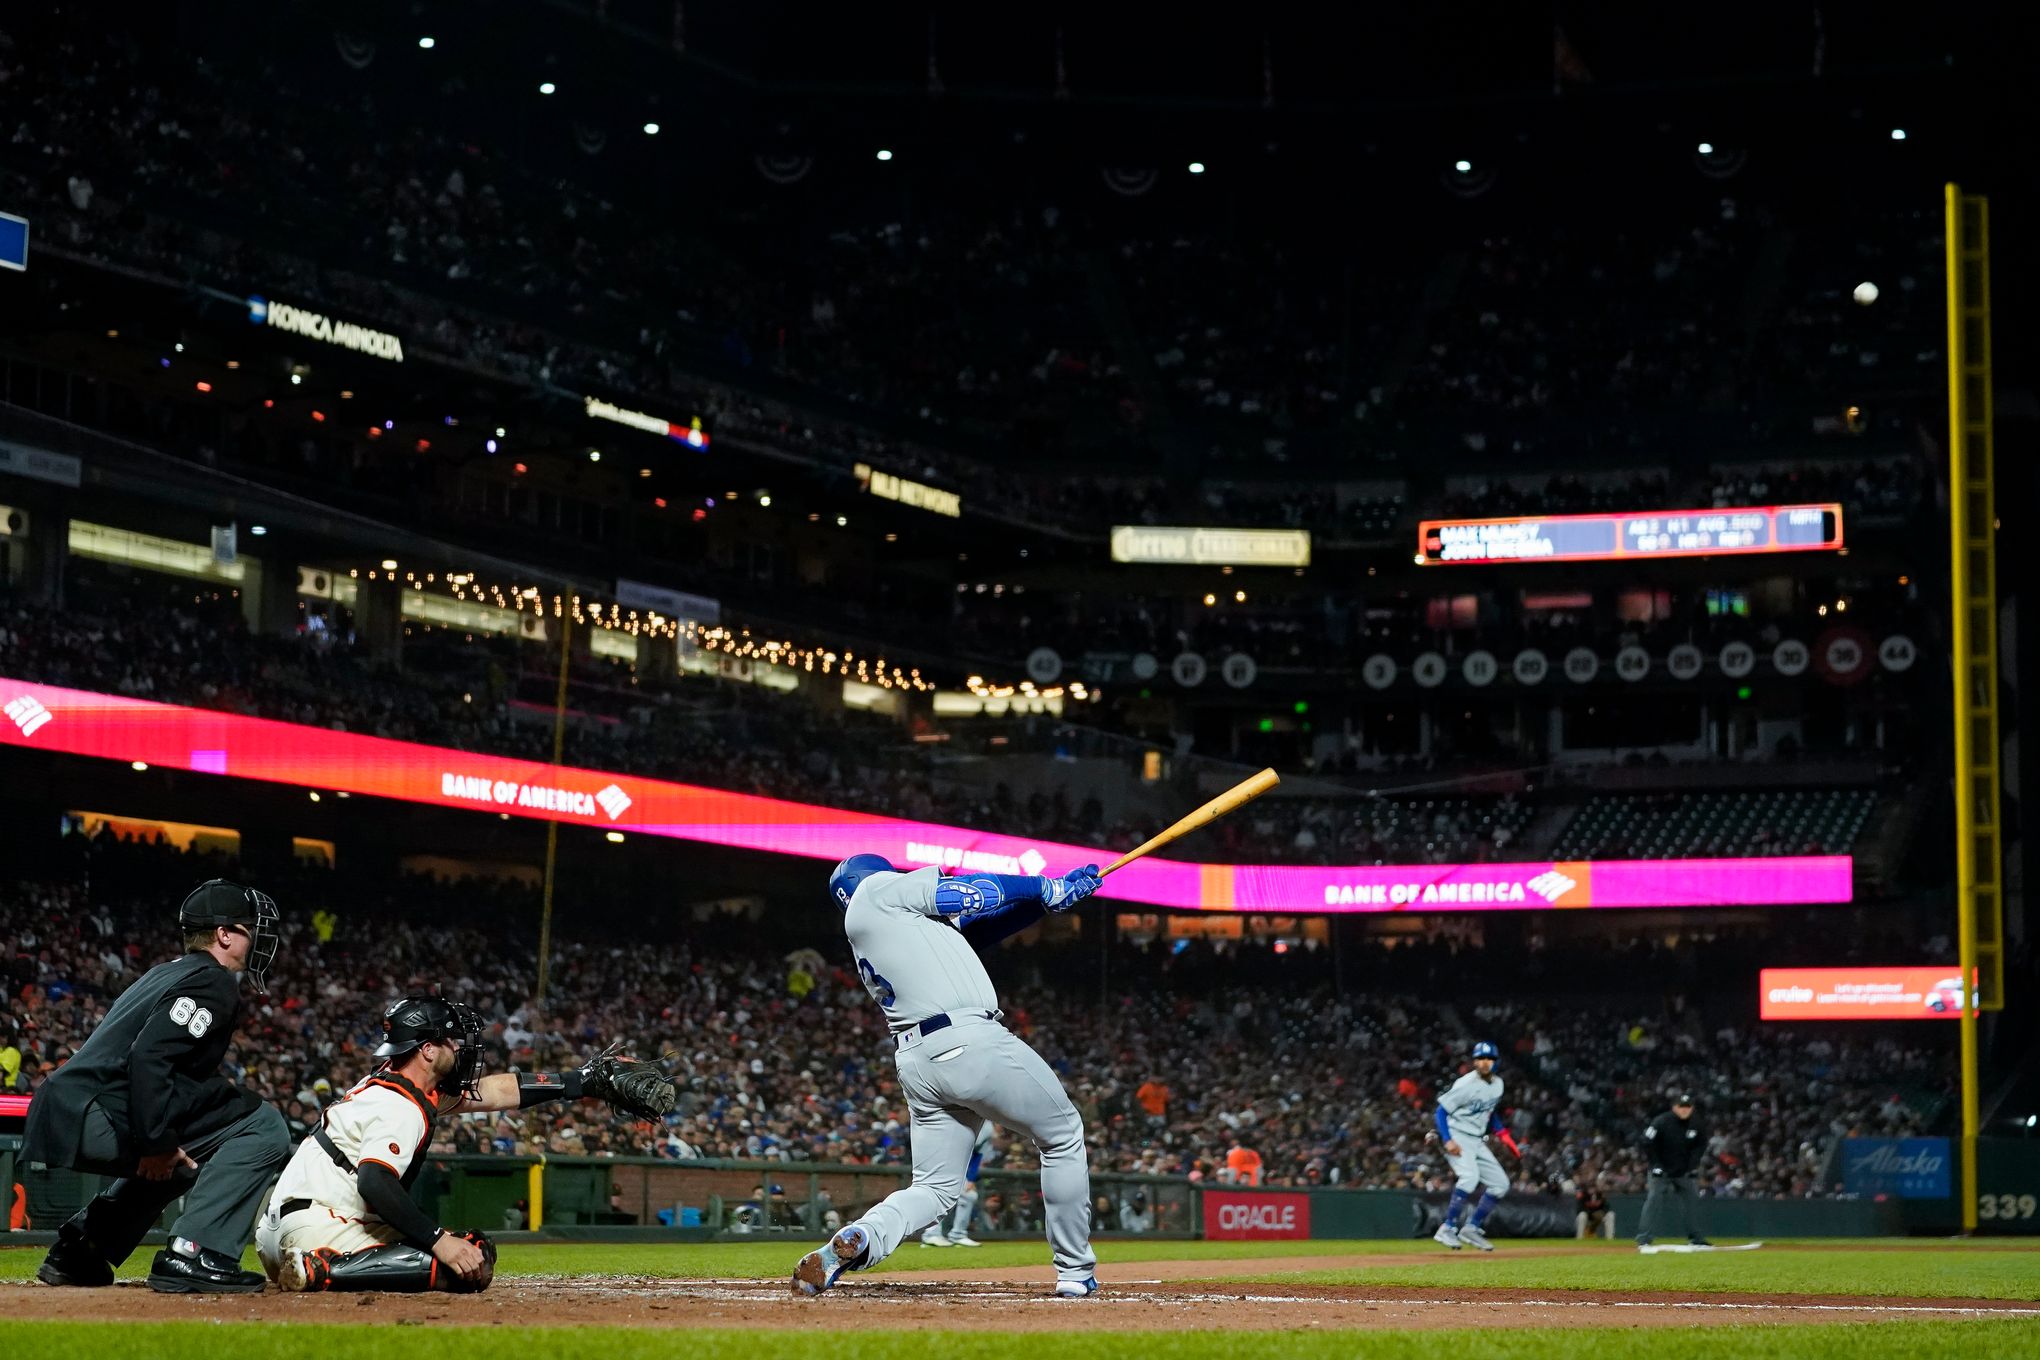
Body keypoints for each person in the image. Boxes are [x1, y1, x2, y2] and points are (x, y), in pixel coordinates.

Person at [793, 854, 1102, 1298]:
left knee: (935, 1188)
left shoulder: (889, 927)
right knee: (1063, 1134)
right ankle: (1075, 1272)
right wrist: (1043, 885)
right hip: (968, 1040)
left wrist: (1045, 903)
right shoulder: (877, 890)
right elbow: (969, 892)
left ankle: (863, 1237)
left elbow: (977, 933)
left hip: (918, 1061)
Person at [256, 995, 674, 1292]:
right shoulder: (400, 1107)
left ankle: (317, 1264)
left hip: (281, 1231)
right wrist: (439, 1239)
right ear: (427, 1051)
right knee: (461, 1265)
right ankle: (322, 1270)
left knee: (474, 1249)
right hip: (319, 1229)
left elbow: (494, 1092)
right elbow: (374, 1183)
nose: (462, 1048)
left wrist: (580, 1082)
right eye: (452, 1041)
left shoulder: (391, 1083)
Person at [23, 880, 288, 1293]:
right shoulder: (212, 980)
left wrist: (163, 1143)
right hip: (95, 1111)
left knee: (185, 1158)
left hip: (73, 1106)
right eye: (248, 928)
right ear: (223, 934)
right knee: (264, 1124)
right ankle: (196, 1252)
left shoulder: (168, 972)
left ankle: (82, 1250)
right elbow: (150, 1057)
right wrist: (156, 1142)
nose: (257, 938)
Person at [1431, 1040, 1521, 1252]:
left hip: (1477, 1139)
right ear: (1474, 1061)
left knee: (1500, 1184)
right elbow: (1440, 1111)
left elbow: (1490, 1113)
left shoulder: (1498, 1085)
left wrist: (1503, 1134)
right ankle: (1447, 1227)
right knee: (1470, 1178)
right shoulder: (1465, 1084)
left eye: (1489, 1058)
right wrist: (1447, 1139)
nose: (1485, 1063)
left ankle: (1471, 1227)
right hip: (1458, 1135)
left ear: (1496, 1061)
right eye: (1480, 1058)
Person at [1636, 1093, 1710, 1248]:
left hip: (1683, 1171)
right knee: (1653, 1201)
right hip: (1661, 1171)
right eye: (1681, 1107)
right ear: (1674, 1107)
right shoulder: (1661, 1121)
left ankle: (1696, 1238)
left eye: (1687, 1107)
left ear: (1692, 1108)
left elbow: (1701, 1145)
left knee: (1691, 1203)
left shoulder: (1697, 1123)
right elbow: (1646, 1142)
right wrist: (1655, 1164)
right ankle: (1644, 1239)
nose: (1684, 1110)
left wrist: (1692, 1165)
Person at [922, 1120, 993, 1247]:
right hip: (937, 1159)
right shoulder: (955, 1115)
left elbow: (978, 1153)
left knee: (969, 1195)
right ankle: (931, 1234)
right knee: (939, 1194)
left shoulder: (987, 1127)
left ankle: (958, 1235)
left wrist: (971, 1178)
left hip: (959, 1166)